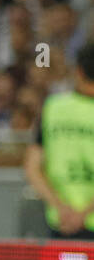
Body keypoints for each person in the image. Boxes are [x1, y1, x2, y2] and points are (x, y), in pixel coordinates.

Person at [25, 41, 94, 240]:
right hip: (85, 220)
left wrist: (62, 209)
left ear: (78, 71)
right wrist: (83, 214)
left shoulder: (53, 108)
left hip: (61, 224)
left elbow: (32, 168)